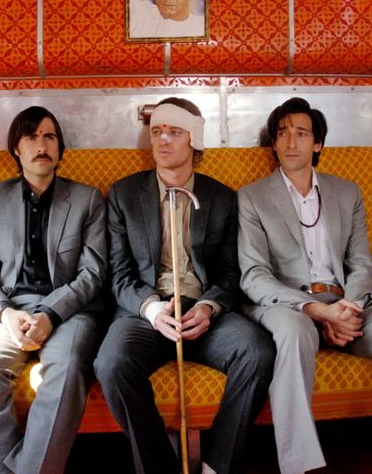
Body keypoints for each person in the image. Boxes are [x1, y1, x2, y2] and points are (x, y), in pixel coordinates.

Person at [237, 98, 372, 474]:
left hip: (345, 302)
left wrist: (347, 309)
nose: (290, 142)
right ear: (273, 144)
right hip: (287, 306)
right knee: (293, 332)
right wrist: (316, 310)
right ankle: (297, 466)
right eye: (282, 133)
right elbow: (254, 275)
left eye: (301, 133)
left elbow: (362, 263)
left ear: (317, 144)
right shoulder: (252, 197)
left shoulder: (347, 192)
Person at [94, 97, 274, 474]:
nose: (162, 141)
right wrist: (151, 309)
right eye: (157, 132)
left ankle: (216, 466)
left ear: (194, 139)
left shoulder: (222, 198)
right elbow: (120, 274)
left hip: (205, 311)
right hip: (145, 312)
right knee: (111, 362)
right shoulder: (124, 195)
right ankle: (159, 466)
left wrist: (209, 307)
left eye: (174, 132)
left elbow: (229, 273)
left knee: (256, 351)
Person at [0, 106, 107, 474]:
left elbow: (93, 273)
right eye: (31, 137)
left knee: (69, 364)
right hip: (9, 308)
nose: (41, 145)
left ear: (60, 148)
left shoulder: (87, 199)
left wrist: (50, 314)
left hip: (69, 309)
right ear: (16, 148)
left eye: (49, 137)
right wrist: (5, 313)